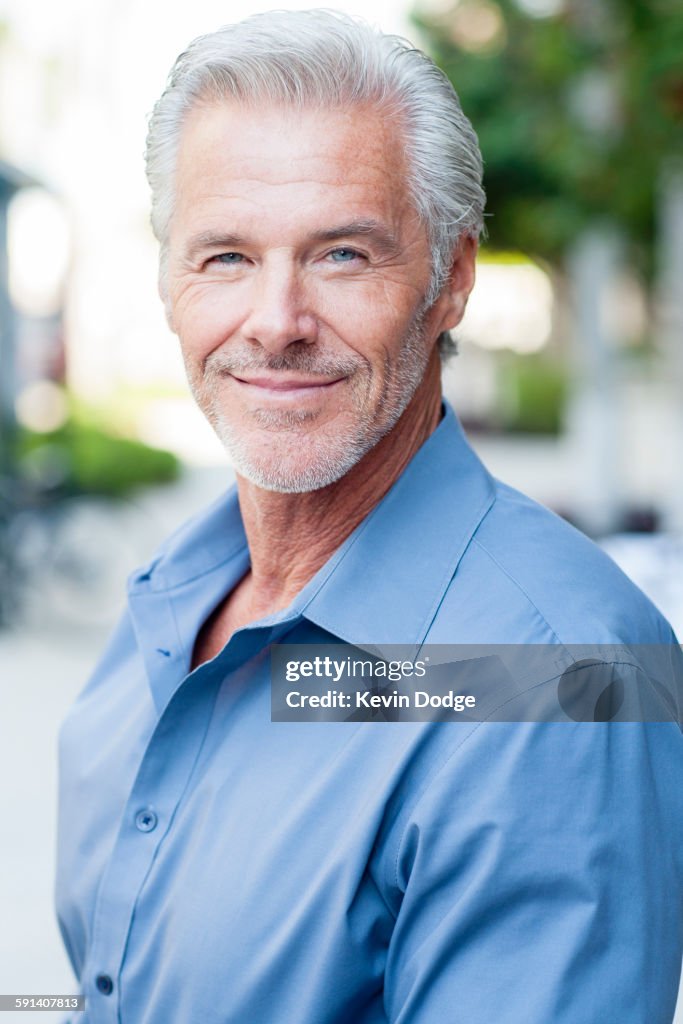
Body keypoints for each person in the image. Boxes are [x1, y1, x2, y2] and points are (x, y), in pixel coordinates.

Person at [56, 10, 683, 1023]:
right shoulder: (168, 605)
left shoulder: (563, 673)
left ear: (451, 281)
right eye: (224, 256)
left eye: (341, 254)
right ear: (169, 280)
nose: (274, 321)